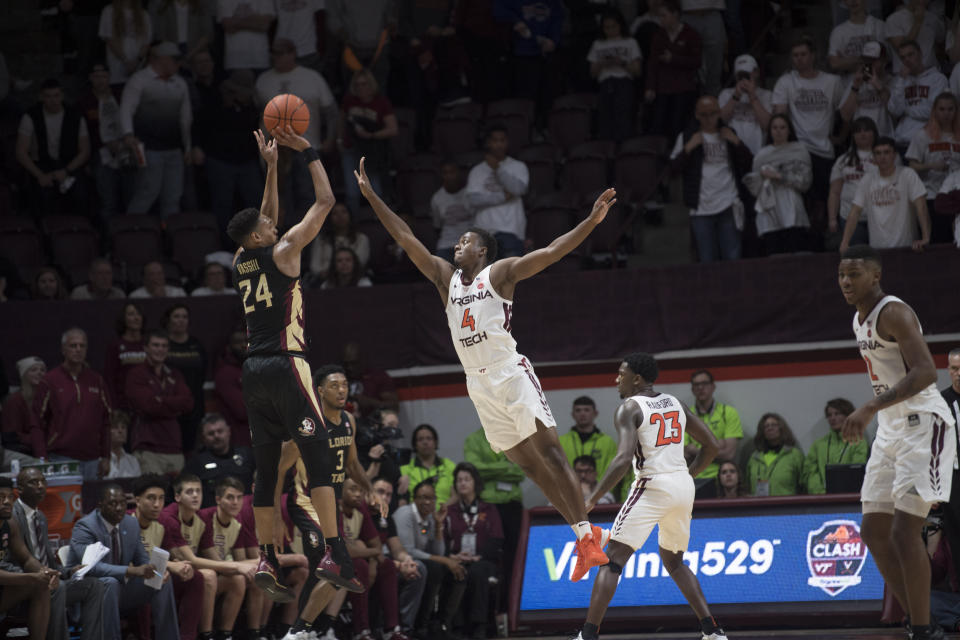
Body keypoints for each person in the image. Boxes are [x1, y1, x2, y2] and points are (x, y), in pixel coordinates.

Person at [356, 158, 614, 581]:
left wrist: (590, 222)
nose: (456, 245)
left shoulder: (501, 273)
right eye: (456, 241)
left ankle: (587, 536)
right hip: (478, 384)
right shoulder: (446, 280)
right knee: (527, 465)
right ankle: (583, 535)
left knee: (550, 452)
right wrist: (372, 197)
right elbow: (406, 238)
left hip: (509, 372)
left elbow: (551, 253)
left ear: (482, 250)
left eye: (464, 241)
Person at [226, 125, 350, 600]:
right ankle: (334, 550)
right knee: (318, 453)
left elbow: (266, 217)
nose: (274, 224)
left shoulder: (242, 258)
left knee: (266, 468)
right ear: (260, 235)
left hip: (252, 371)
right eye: (268, 226)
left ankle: (266, 557)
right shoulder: (285, 251)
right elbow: (325, 203)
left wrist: (272, 167)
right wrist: (309, 152)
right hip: (286, 362)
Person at [838, 244, 958, 640]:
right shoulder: (860, 321)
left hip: (924, 422)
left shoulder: (894, 312)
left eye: (853, 275)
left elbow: (926, 372)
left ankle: (923, 630)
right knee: (873, 532)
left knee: (905, 533)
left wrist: (870, 406)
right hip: (890, 427)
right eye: (841, 275)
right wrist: (878, 412)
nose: (845, 282)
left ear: (875, 276)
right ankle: (922, 621)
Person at [570, 353, 727, 640]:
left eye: (621, 374)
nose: (617, 379)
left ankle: (587, 636)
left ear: (637, 379)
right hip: (682, 485)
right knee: (675, 562)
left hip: (652, 485)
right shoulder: (675, 402)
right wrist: (687, 476)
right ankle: (713, 631)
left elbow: (621, 461)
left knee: (612, 560)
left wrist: (592, 497)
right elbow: (713, 446)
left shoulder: (629, 408)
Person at [277, 364, 388, 639]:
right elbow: (277, 470)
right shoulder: (307, 424)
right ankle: (299, 631)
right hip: (305, 503)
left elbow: (351, 463)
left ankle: (302, 631)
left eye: (345, 385)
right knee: (337, 567)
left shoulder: (348, 420)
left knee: (326, 571)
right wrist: (276, 517)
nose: (341, 390)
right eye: (335, 385)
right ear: (319, 390)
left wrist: (369, 488)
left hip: (331, 507)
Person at [69, 484, 180, 640]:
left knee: (161, 581)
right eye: (113, 503)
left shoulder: (130, 523)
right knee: (110, 582)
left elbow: (142, 559)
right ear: (100, 505)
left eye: (122, 503)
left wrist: (154, 570)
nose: (119, 508)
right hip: (89, 594)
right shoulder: (86, 526)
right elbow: (90, 568)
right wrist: (131, 571)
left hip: (121, 590)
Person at [13, 468, 106, 640]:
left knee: (95, 586)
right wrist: (39, 576)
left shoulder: (40, 516)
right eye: (34, 482)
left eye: (43, 481)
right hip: (24, 586)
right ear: (19, 489)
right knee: (58, 587)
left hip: (49, 580)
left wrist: (68, 571)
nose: (40, 486)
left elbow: (47, 560)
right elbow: (12, 561)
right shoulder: (12, 517)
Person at [159, 473, 254, 640]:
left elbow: (215, 560)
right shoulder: (169, 517)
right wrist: (238, 565)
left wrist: (240, 567)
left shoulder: (200, 520)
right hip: (167, 574)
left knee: (237, 579)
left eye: (198, 491)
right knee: (209, 576)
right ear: (177, 496)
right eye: (190, 492)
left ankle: (226, 635)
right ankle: (206, 635)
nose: (195, 495)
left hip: (188, 572)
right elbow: (191, 560)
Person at [772, 37, 844, 227]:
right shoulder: (786, 82)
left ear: (813, 56)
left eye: (803, 54)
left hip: (824, 149)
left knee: (823, 201)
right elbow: (779, 115)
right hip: (799, 150)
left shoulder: (832, 81)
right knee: (801, 202)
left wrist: (842, 137)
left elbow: (844, 113)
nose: (799, 59)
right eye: (795, 55)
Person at [670, 95, 751, 262]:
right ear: (697, 115)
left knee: (733, 257)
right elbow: (672, 170)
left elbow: (749, 163)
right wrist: (688, 148)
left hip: (729, 203)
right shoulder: (687, 137)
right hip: (701, 208)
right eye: (704, 115)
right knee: (707, 261)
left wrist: (736, 142)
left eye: (713, 114)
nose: (709, 119)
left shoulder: (729, 133)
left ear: (719, 113)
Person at [120, 41, 192, 217]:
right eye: (174, 60)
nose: (178, 64)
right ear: (161, 60)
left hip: (173, 149)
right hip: (147, 148)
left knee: (173, 196)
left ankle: (170, 236)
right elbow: (126, 109)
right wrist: (128, 134)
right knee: (147, 192)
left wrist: (187, 147)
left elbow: (185, 118)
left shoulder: (180, 83)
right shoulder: (140, 80)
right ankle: (131, 230)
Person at [130, 474, 205, 640]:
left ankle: (187, 637)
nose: (157, 505)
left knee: (196, 577)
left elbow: (172, 554)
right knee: (154, 579)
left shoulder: (163, 522)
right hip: (129, 580)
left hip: (156, 576)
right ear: (138, 500)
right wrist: (170, 566)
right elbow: (130, 564)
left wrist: (182, 565)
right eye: (151, 498)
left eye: (161, 499)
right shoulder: (127, 521)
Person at [31, 328, 112, 480]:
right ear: (63, 349)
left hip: (93, 459)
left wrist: (106, 456)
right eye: (73, 346)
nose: (78, 350)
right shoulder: (50, 381)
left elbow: (106, 421)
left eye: (82, 346)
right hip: (61, 457)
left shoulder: (97, 380)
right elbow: (36, 422)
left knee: (91, 503)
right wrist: (41, 457)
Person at [194, 70, 264, 242]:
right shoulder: (215, 104)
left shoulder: (253, 107)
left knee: (256, 201)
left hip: (247, 161)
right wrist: (197, 147)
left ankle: (256, 241)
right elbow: (199, 126)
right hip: (221, 161)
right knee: (222, 205)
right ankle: (224, 244)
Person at [393, 479, 465, 638]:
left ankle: (442, 623)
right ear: (414, 499)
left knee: (458, 571)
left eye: (431, 498)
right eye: (422, 497)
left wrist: (439, 525)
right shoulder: (405, 514)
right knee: (433, 568)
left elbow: (438, 551)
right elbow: (408, 550)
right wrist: (445, 560)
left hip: (421, 560)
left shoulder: (431, 517)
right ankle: (420, 625)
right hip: (399, 560)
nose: (427, 502)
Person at [339, 476, 407, 640]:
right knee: (359, 565)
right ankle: (361, 631)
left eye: (360, 491)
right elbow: (345, 550)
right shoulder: (335, 509)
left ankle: (392, 629)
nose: (357, 494)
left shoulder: (363, 511)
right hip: (331, 559)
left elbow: (376, 546)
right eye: (379, 492)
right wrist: (369, 555)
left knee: (388, 566)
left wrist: (374, 563)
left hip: (361, 560)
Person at [442, 462, 502, 640]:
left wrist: (479, 556)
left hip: (483, 560)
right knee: (456, 569)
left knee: (477, 572)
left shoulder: (489, 509)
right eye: (459, 480)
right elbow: (442, 539)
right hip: (457, 558)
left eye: (467, 479)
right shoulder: (450, 512)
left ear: (475, 482)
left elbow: (497, 539)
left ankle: (479, 626)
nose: (462, 483)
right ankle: (456, 625)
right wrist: (452, 556)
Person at [839, 136, 931, 252]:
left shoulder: (908, 174)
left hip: (906, 248)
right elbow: (855, 211)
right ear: (873, 157)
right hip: (878, 249)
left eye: (886, 152)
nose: (882, 157)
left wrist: (926, 237)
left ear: (895, 154)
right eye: (878, 153)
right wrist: (845, 242)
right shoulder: (867, 179)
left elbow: (921, 206)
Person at [15, 78, 91, 217]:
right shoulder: (31, 116)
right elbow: (21, 151)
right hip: (42, 165)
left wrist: (67, 170)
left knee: (81, 195)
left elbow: (85, 150)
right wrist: (40, 175)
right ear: (41, 97)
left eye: (56, 95)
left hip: (68, 164)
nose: (53, 100)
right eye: (48, 96)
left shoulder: (75, 116)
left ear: (62, 95)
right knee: (42, 197)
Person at [125, 329, 195, 474]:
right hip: (147, 446)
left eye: (164, 346)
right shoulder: (136, 374)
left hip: (174, 445)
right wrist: (174, 405)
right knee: (152, 492)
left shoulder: (175, 374)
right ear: (146, 348)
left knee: (178, 495)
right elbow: (148, 406)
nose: (160, 349)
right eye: (156, 345)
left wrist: (160, 400)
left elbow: (188, 403)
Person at [743, 113, 813, 255]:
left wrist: (778, 176)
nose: (779, 131)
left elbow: (805, 182)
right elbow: (754, 187)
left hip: (793, 206)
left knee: (798, 255)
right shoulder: (762, 155)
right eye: (774, 128)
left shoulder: (799, 150)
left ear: (789, 130)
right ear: (770, 131)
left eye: (782, 127)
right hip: (769, 209)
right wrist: (759, 178)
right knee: (775, 257)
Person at [0, 476, 56, 640]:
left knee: (41, 585)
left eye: (10, 497)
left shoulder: (9, 523)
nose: (7, 502)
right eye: (1, 497)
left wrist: (45, 572)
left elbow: (26, 559)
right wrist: (31, 577)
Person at [370, 476, 426, 637]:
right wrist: (399, 565)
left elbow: (397, 548)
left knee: (418, 568)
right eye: (380, 492)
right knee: (386, 567)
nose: (385, 497)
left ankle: (402, 628)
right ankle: (383, 627)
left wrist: (407, 561)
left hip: (385, 562)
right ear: (369, 491)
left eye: (389, 494)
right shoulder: (363, 512)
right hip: (370, 563)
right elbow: (370, 552)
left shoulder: (385, 517)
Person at [339, 69, 399, 214]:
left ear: (371, 85)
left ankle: (379, 223)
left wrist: (371, 135)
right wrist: (339, 140)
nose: (361, 88)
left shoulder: (381, 102)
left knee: (375, 191)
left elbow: (393, 129)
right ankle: (353, 225)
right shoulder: (349, 101)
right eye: (357, 85)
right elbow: (341, 121)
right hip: (351, 149)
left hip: (371, 152)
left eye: (364, 84)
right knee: (352, 192)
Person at [465, 124, 529, 259]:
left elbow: (519, 189)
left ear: (507, 142)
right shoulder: (477, 171)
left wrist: (498, 169)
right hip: (484, 233)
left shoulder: (518, 166)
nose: (499, 145)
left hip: (511, 231)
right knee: (487, 278)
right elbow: (473, 200)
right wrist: (502, 197)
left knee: (511, 277)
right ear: (488, 143)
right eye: (495, 140)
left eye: (502, 140)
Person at [906, 91, 960, 244]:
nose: (946, 114)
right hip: (932, 194)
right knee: (938, 242)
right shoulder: (922, 135)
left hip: (957, 195)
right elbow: (911, 166)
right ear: (935, 110)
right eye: (942, 109)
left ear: (956, 111)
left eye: (950, 109)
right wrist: (931, 166)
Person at [645, 0, 702, 143]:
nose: (661, 19)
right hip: (663, 88)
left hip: (683, 88)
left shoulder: (691, 34)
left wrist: (674, 59)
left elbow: (696, 62)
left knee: (678, 125)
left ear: (675, 14)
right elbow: (652, 63)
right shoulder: (659, 35)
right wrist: (650, 87)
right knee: (659, 124)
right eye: (660, 16)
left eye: (664, 15)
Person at [588, 8, 641, 141]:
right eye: (607, 28)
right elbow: (592, 73)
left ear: (620, 26)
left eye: (613, 27)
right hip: (605, 83)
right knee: (606, 119)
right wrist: (601, 64)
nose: (610, 30)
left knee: (623, 118)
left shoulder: (630, 42)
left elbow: (637, 70)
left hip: (624, 82)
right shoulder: (598, 44)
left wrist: (622, 63)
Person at [184, 412, 256, 508]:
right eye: (211, 433)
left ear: (228, 431)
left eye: (220, 431)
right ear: (204, 438)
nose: (216, 436)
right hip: (212, 516)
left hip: (245, 513)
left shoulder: (247, 455)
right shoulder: (196, 463)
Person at [558, 396, 625, 498]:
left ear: (595, 413)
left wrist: (601, 493)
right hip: (569, 497)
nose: (582, 414)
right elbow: (557, 472)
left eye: (586, 410)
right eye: (578, 410)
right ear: (573, 414)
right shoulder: (561, 442)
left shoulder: (607, 442)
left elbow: (614, 472)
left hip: (601, 497)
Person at [887, 41, 948, 152]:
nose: (907, 60)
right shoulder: (900, 81)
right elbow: (895, 111)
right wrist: (901, 80)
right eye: (903, 57)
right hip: (902, 141)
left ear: (920, 53)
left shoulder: (938, 79)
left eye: (911, 54)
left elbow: (934, 112)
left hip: (927, 142)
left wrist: (906, 110)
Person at [828, 116, 880, 245]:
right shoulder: (842, 160)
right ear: (853, 136)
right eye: (858, 131)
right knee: (858, 257)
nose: (862, 134)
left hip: (880, 217)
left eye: (866, 130)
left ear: (874, 133)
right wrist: (832, 219)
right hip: (850, 217)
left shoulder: (886, 156)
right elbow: (834, 192)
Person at [163, 303, 208, 451]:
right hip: (169, 404)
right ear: (169, 320)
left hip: (195, 404)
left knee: (192, 447)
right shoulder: (162, 345)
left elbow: (203, 373)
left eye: (184, 317)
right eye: (176, 316)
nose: (181, 320)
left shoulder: (196, 344)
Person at [803, 398, 870, 494]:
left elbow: (857, 471)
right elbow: (810, 472)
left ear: (848, 415)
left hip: (849, 497)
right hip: (821, 498)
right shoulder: (818, 445)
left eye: (837, 413)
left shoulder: (859, 442)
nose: (832, 418)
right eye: (829, 415)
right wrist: (819, 492)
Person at [685, 369, 744, 481]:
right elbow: (685, 454)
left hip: (721, 478)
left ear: (713, 386)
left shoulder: (728, 413)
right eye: (696, 384)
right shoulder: (687, 416)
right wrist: (717, 445)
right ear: (692, 389)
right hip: (693, 477)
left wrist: (696, 450)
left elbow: (729, 454)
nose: (700, 388)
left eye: (705, 383)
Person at [718, 54, 773, 156]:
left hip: (758, 152)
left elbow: (768, 126)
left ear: (756, 73)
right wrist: (736, 96)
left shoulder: (767, 95)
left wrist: (752, 96)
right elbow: (720, 122)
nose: (744, 79)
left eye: (747, 75)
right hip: (731, 152)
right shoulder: (725, 94)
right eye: (740, 75)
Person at [837, 41, 893, 137]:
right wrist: (856, 87)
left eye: (873, 60)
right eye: (866, 60)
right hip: (860, 138)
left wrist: (879, 87)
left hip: (884, 138)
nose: (869, 64)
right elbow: (845, 116)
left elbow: (895, 112)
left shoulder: (891, 81)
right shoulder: (855, 82)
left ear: (884, 60)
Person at [307, 203, 371, 282]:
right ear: (329, 218)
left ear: (350, 215)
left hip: (354, 280)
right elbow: (314, 266)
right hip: (326, 280)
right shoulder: (321, 239)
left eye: (344, 212)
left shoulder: (362, 239)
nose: (340, 216)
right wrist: (328, 274)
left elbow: (360, 263)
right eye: (335, 213)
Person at [744, 413, 805, 496]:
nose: (770, 428)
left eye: (774, 425)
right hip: (758, 507)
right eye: (766, 426)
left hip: (786, 507)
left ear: (781, 428)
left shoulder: (794, 455)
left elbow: (804, 485)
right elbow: (747, 486)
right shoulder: (754, 457)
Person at [398, 424, 457, 505]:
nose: (425, 442)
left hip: (445, 513)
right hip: (416, 515)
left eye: (429, 438)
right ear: (415, 444)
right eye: (420, 439)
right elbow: (402, 501)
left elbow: (456, 496)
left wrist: (442, 511)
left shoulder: (449, 465)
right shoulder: (405, 469)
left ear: (435, 442)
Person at [103, 301, 146, 408]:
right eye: (131, 314)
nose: (136, 317)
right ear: (124, 319)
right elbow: (109, 378)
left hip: (147, 402)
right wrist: (113, 405)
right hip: (124, 404)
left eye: (138, 314)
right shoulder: (116, 345)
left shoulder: (149, 344)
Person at [99, 0, 152, 86]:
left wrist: (137, 61)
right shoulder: (109, 11)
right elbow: (109, 39)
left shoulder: (144, 14)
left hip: (138, 66)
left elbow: (147, 42)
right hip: (116, 66)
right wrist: (126, 61)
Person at [827, 0, 886, 78]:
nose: (853, 1)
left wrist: (846, 61)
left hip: (878, 81)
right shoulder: (838, 32)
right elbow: (834, 63)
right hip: (850, 84)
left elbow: (884, 59)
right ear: (845, 2)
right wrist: (867, 58)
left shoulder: (880, 26)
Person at [885, 0, 945, 75]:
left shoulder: (933, 19)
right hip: (905, 76)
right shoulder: (894, 19)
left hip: (931, 74)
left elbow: (942, 43)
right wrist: (918, 22)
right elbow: (901, 48)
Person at [341, 341, 399, 418]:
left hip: (373, 424)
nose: (349, 368)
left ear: (363, 360)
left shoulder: (378, 377)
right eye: (346, 364)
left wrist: (370, 402)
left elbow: (395, 407)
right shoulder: (340, 378)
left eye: (354, 363)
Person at [431, 161, 474, 263]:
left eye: (452, 172)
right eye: (445, 173)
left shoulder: (470, 193)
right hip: (446, 244)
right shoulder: (437, 198)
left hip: (469, 244)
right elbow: (437, 226)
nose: (449, 176)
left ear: (459, 173)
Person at [2, 356, 45, 455]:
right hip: (23, 450)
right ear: (24, 374)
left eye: (42, 370)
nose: (39, 373)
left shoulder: (46, 398)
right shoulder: (14, 401)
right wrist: (38, 440)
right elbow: (12, 434)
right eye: (34, 370)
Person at [214, 326, 249, 446]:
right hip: (240, 441)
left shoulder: (256, 369)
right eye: (238, 342)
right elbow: (242, 411)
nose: (244, 345)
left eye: (247, 341)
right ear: (229, 347)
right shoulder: (225, 373)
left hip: (262, 439)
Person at [149, 0, 213, 65]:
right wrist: (173, 53)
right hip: (172, 51)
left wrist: (191, 54)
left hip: (197, 50)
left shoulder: (201, 5)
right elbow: (161, 35)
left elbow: (207, 34)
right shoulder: (164, 6)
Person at [218, 0, 274, 72]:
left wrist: (236, 20)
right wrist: (255, 19)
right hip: (234, 60)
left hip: (260, 59)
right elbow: (228, 25)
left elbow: (264, 25)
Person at [105, 409, 142, 478]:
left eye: (123, 427)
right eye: (115, 427)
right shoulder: (99, 461)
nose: (120, 431)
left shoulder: (133, 461)